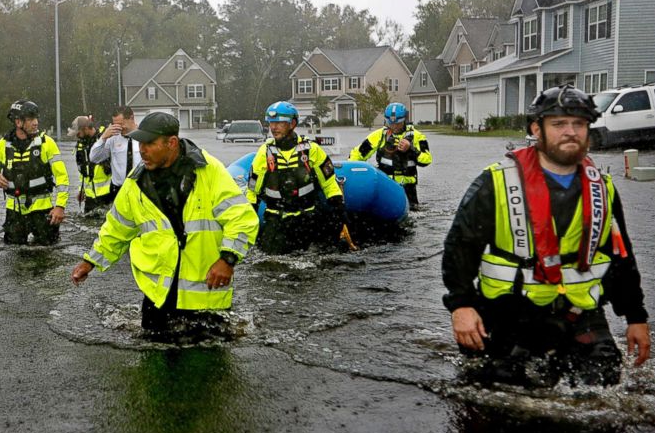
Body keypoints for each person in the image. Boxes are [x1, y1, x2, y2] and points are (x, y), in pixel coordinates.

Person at [442, 85, 651, 387]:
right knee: (497, 388)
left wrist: (636, 317)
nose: (570, 132)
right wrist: (461, 307)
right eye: (559, 124)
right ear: (536, 129)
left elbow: (621, 257)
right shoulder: (496, 182)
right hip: (509, 313)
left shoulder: (603, 188)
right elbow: (460, 247)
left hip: (578, 312)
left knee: (602, 381)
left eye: (578, 124)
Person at [71, 112, 260, 335]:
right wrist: (90, 261)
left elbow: (242, 218)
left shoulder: (209, 171)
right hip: (158, 296)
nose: (142, 150)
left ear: (171, 143)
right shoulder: (136, 182)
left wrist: (227, 259)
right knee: (153, 360)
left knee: (209, 364)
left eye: (150, 143)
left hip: (206, 296)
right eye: (140, 143)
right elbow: (116, 228)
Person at [246, 100, 347, 254]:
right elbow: (253, 191)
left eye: (279, 123)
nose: (273, 127)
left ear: (292, 124)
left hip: (307, 219)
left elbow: (329, 184)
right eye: (271, 123)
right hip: (276, 221)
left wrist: (338, 209)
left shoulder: (311, 150)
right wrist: (249, 217)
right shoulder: (264, 152)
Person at [0, 99, 69, 245]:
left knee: (48, 255)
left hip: (43, 212)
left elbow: (62, 177)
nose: (36, 122)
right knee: (14, 254)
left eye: (36, 118)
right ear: (18, 122)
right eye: (31, 119)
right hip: (14, 212)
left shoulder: (46, 143)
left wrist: (60, 206)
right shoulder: (3, 145)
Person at [349, 102, 431, 209]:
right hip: (386, 186)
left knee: (414, 211)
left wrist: (411, 149)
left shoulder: (417, 136)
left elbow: (427, 159)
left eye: (398, 124)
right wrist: (350, 170)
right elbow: (358, 153)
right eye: (391, 124)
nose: (394, 127)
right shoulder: (379, 135)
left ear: (404, 120)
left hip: (408, 188)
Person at [89, 106, 142, 195]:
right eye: (115, 124)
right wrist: (103, 138)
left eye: (121, 124)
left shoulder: (144, 137)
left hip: (140, 188)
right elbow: (94, 158)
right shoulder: (112, 138)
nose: (119, 127)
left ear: (131, 118)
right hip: (118, 190)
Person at [69, 115, 113, 213]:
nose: (77, 136)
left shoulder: (105, 139)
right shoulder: (81, 145)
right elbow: (82, 171)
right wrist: (81, 189)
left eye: (78, 133)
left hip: (108, 195)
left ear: (85, 129)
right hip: (90, 198)